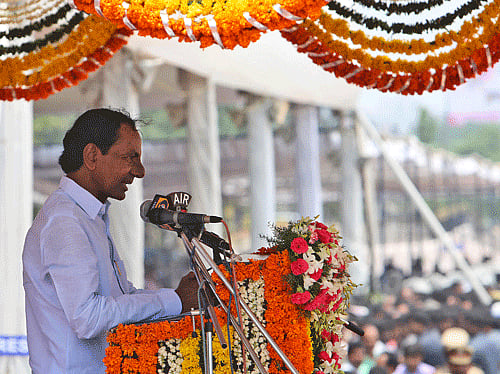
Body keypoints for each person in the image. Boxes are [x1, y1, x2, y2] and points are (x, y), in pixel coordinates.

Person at [23, 108, 199, 373]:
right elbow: (88, 318)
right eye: (130, 158)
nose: (139, 171)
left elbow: (122, 298)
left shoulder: (89, 216)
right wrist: (174, 300)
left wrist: (181, 299)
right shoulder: (65, 220)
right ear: (92, 156)